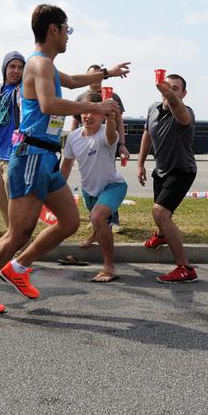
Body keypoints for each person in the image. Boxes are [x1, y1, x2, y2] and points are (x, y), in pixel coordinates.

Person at [0, 4, 126, 314]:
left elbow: (72, 81)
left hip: (45, 157)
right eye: (67, 30)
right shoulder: (39, 64)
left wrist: (107, 73)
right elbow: (48, 105)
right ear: (53, 30)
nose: (68, 37)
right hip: (30, 156)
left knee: (70, 221)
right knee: (18, 232)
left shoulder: (45, 65)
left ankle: (18, 268)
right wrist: (98, 109)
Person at [137, 73, 199, 283]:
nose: (170, 91)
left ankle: (185, 268)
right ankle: (162, 235)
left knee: (161, 213)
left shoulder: (185, 112)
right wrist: (140, 163)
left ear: (183, 93)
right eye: (168, 87)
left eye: (175, 89)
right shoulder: (152, 108)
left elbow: (180, 114)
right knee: (161, 214)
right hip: (161, 169)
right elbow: (147, 134)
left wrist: (169, 95)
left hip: (182, 170)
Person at [61, 93, 127, 282]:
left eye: (94, 111)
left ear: (102, 114)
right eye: (85, 111)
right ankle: (94, 235)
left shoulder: (106, 132)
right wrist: (57, 187)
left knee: (98, 217)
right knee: (98, 220)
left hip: (114, 186)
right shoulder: (73, 137)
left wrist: (112, 117)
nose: (88, 116)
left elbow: (111, 134)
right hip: (89, 191)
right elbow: (67, 165)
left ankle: (109, 268)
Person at [72, 64, 129, 236]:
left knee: (108, 178)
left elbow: (119, 121)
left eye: (99, 75)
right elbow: (75, 121)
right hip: (86, 144)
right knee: (89, 179)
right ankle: (95, 217)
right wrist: (71, 142)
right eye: (92, 75)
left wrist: (122, 145)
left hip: (107, 143)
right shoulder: (81, 97)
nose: (96, 79)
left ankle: (113, 218)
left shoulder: (113, 96)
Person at [0, 51, 24, 225]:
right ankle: (12, 238)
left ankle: (21, 244)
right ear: (4, 68)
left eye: (20, 67)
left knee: (16, 207)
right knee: (3, 205)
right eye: (12, 66)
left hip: (14, 156)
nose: (16, 71)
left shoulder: (22, 90)